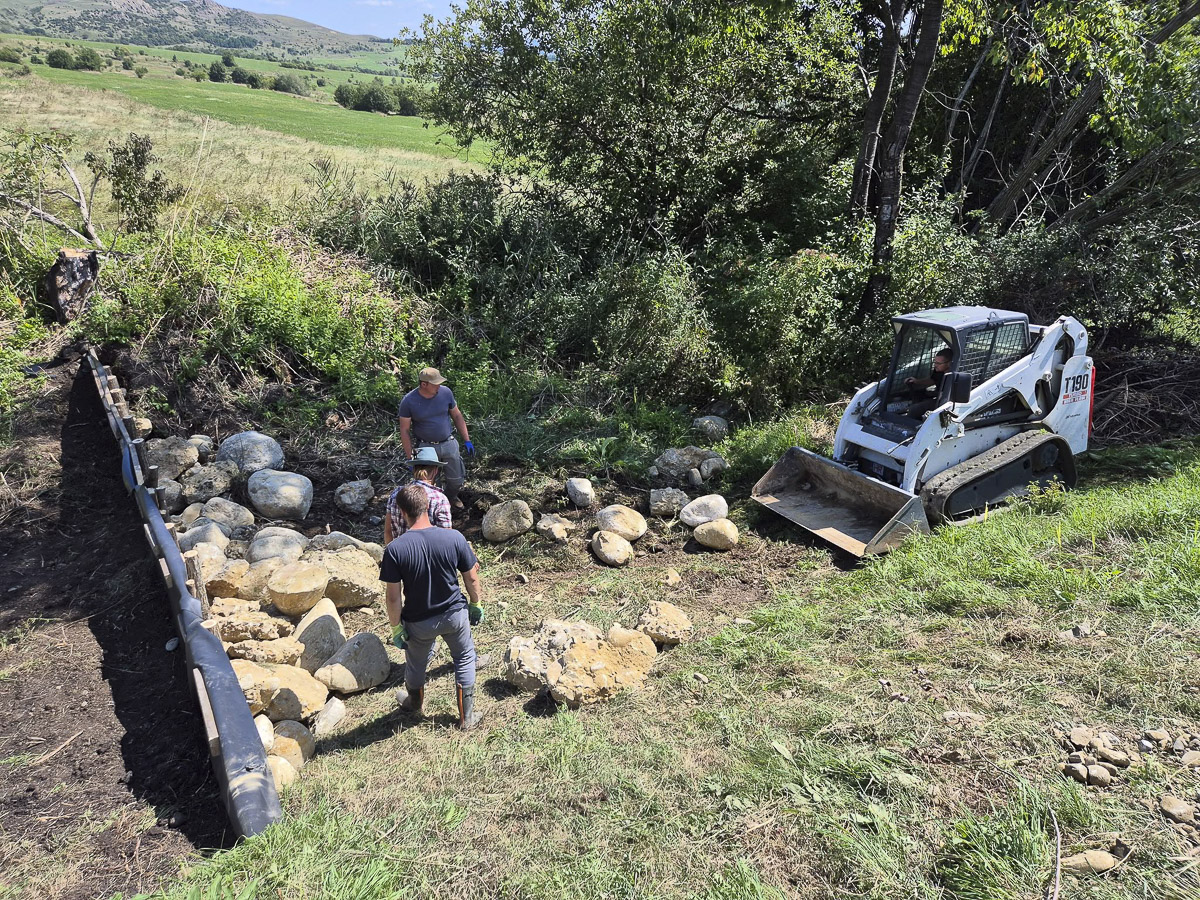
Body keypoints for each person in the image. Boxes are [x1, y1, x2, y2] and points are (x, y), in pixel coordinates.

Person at [380, 483, 485, 730]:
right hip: (454, 616)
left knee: (416, 663)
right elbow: (471, 577)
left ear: (403, 512)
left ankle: (414, 703)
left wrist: (396, 628)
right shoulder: (453, 537)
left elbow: (393, 597)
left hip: (418, 621)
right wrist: (476, 603)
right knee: (464, 657)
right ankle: (466, 718)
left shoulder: (395, 550)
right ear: (428, 506)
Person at [397, 367, 473, 512]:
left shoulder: (445, 393)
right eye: (435, 383)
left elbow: (456, 415)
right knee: (429, 483)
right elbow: (404, 430)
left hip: (448, 441)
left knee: (457, 480)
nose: (439, 386)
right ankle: (435, 508)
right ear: (424, 384)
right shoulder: (409, 401)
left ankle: (451, 497)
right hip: (425, 446)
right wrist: (410, 458)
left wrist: (467, 439)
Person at [384, 446, 451, 545]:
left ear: (414, 468)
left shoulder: (396, 494)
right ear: (436, 470)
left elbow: (388, 532)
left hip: (401, 554)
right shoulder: (440, 499)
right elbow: (447, 538)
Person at [904, 348, 953, 417]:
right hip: (938, 397)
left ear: (949, 364)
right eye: (935, 362)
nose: (935, 365)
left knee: (915, 409)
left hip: (947, 402)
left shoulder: (955, 375)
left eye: (938, 363)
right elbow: (932, 380)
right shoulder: (939, 371)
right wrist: (917, 381)